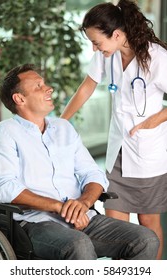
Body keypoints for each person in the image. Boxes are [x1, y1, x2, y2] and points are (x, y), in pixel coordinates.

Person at [0, 64, 159, 260]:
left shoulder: (63, 128)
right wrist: (58, 206)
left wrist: (84, 203)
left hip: (82, 216)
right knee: (78, 245)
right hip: (36, 223)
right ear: (19, 99)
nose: (49, 88)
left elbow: (92, 173)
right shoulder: (5, 132)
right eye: (38, 86)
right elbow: (4, 187)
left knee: (145, 239)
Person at [60, 0, 167, 259]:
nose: (94, 48)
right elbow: (87, 87)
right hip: (117, 153)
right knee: (118, 229)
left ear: (117, 35)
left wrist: (154, 120)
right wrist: (61, 121)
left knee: (148, 224)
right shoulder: (106, 55)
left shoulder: (157, 57)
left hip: (147, 155)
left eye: (97, 42)